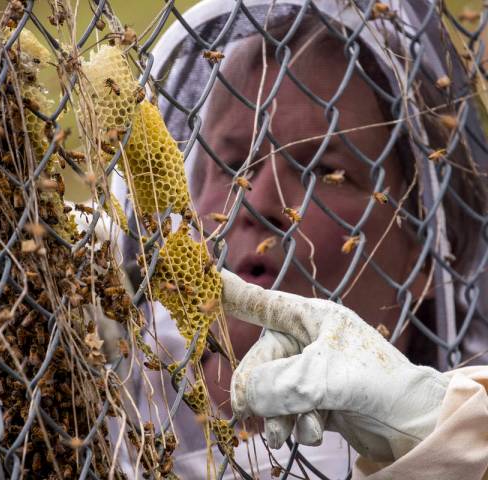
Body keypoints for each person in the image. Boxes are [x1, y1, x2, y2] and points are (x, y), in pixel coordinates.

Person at [111, 0, 488, 478]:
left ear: (430, 254)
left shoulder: (465, 439)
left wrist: (445, 435)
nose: (257, 202)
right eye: (232, 163)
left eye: (324, 173)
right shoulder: (102, 398)